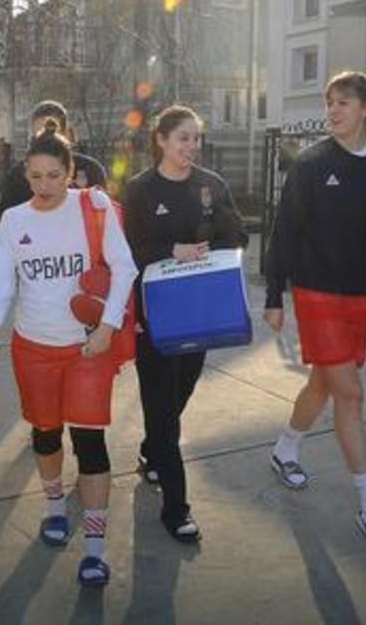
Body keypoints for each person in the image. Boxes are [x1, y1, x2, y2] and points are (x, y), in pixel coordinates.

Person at [264, 70, 366, 551]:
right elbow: (283, 231)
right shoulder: (312, 164)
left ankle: (285, 448)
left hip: (360, 292)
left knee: (324, 383)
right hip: (316, 291)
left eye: (343, 102)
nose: (333, 110)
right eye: (330, 102)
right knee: (351, 395)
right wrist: (274, 295)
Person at [0, 121, 136, 587]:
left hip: (87, 347)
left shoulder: (95, 208)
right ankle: (53, 508)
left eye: (53, 175)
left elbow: (125, 268)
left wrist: (108, 327)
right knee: (45, 434)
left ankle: (94, 550)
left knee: (89, 442)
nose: (44, 185)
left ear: (71, 172)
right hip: (33, 346)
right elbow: (2, 277)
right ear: (25, 174)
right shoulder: (14, 220)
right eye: (35, 176)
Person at [123, 105, 248, 543]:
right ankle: (176, 509)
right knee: (162, 410)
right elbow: (129, 251)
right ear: (161, 140)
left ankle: (151, 449)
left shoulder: (212, 185)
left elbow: (237, 236)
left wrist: (216, 243)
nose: (192, 146)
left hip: (200, 311)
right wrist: (170, 251)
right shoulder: (140, 189)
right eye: (183, 138)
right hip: (155, 315)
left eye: (196, 138)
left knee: (180, 393)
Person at [0, 100, 107, 215]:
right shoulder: (17, 177)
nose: (45, 143)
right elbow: (9, 218)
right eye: (39, 137)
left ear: (66, 135)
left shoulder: (91, 171)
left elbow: (102, 215)